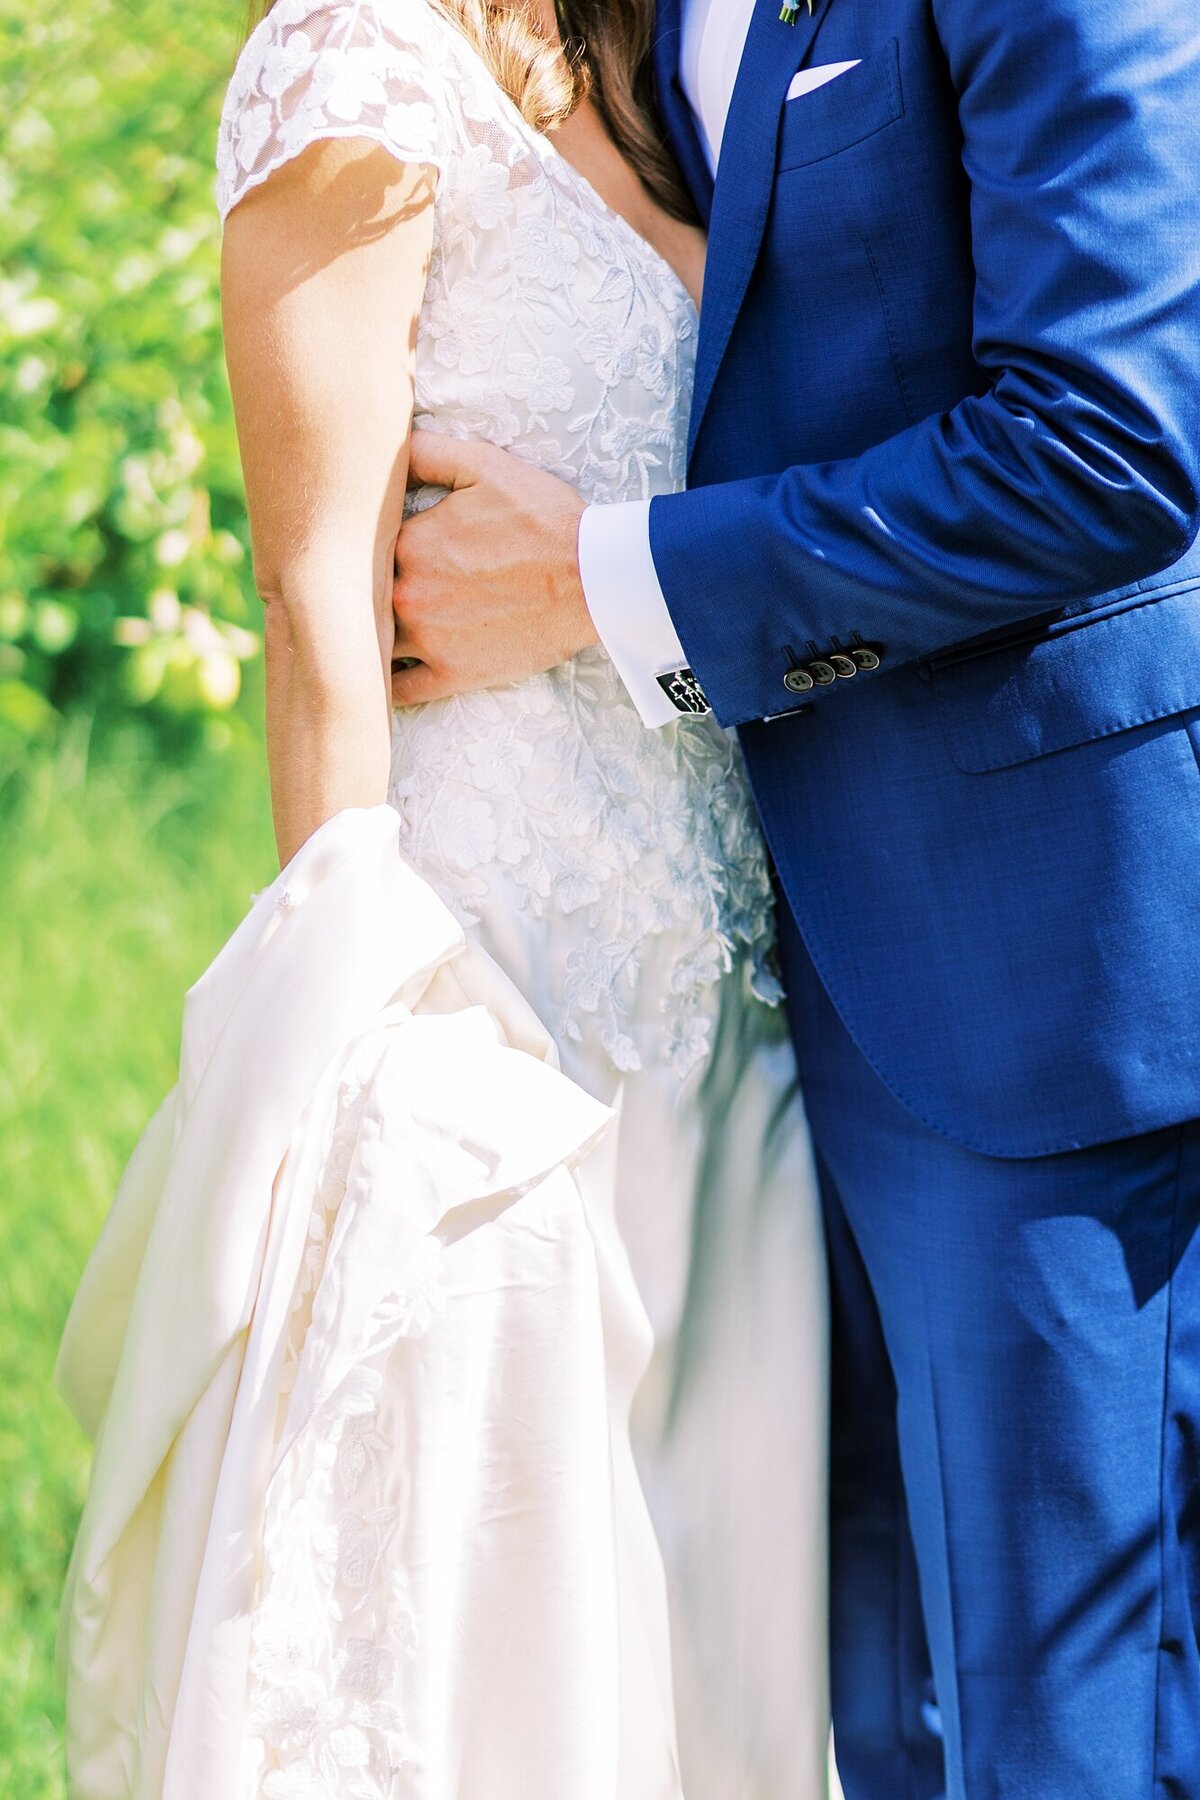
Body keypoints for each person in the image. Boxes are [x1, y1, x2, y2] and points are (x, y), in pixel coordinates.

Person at [388, 1, 1200, 1796]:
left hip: (1026, 974)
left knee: (1074, 1729)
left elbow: (1109, 441)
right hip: (745, 999)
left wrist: (604, 583)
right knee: (861, 1721)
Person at [53, 3, 831, 1796]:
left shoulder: (645, 69)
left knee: (725, 1658)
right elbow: (312, 596)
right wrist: (369, 1040)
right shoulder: (352, 60)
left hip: (728, 1023)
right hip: (487, 1007)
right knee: (493, 1659)